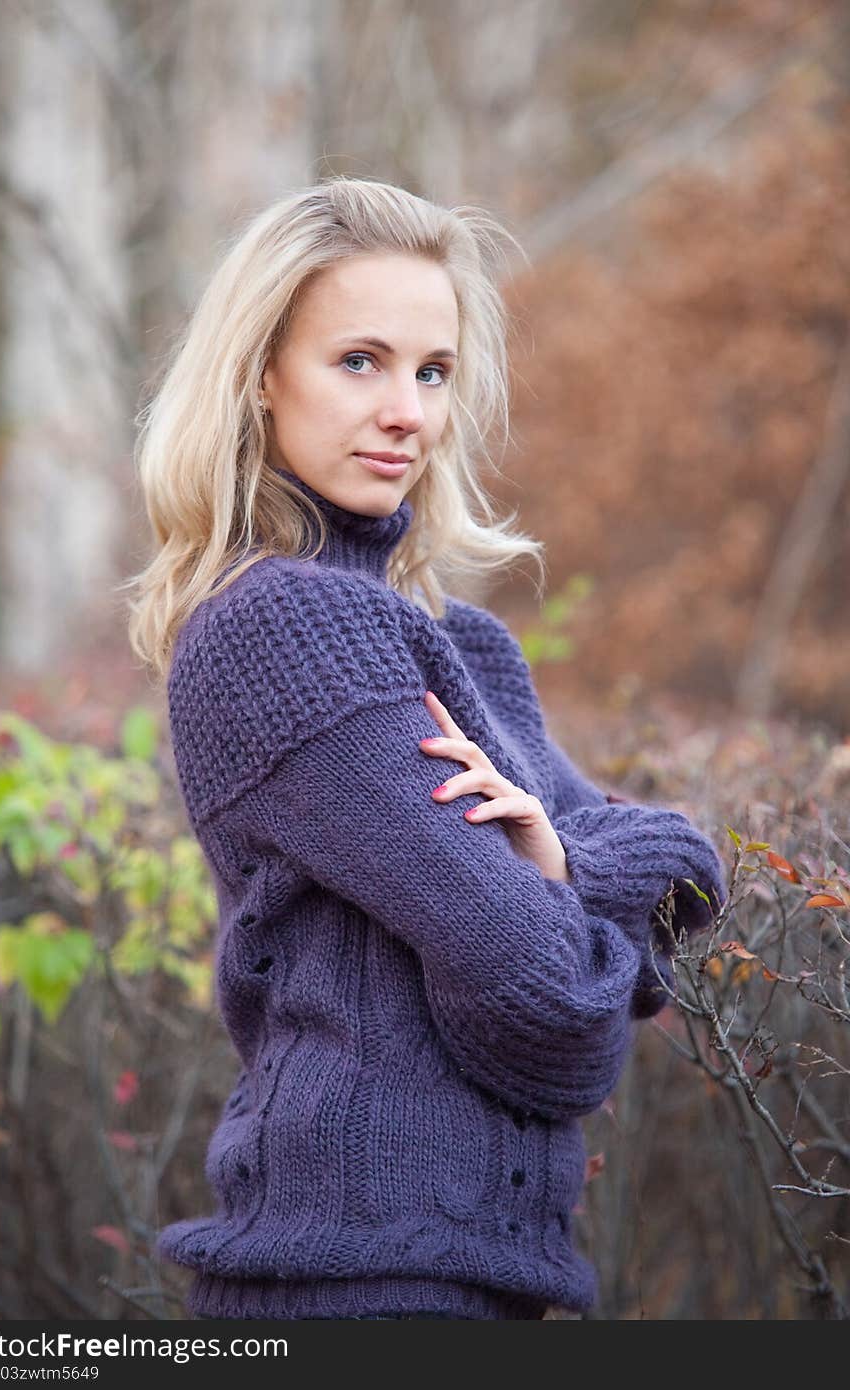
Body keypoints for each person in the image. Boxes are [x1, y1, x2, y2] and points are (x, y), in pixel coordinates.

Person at [123, 176, 727, 1321]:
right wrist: (562, 873)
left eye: (432, 370)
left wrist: (549, 856)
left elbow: (687, 877)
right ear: (259, 375)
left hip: (467, 1279)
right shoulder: (283, 629)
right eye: (359, 361)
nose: (407, 409)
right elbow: (555, 1012)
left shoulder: (468, 652)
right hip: (350, 1281)